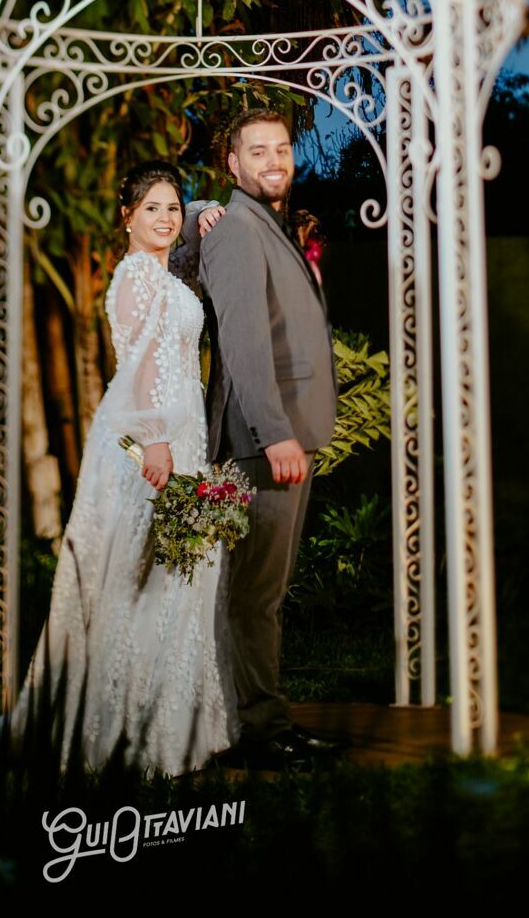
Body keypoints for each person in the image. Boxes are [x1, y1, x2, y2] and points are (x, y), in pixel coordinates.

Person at [11, 162, 237, 776]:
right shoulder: (136, 274)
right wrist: (157, 440)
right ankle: (125, 727)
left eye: (172, 208)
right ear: (126, 217)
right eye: (152, 210)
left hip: (180, 436)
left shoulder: (162, 269)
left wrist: (198, 211)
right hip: (148, 440)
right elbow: (137, 366)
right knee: (141, 578)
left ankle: (168, 720)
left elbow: (187, 227)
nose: (165, 219)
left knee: (172, 578)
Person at [183, 108, 338, 766]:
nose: (274, 159)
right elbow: (244, 342)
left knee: (260, 594)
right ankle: (261, 733)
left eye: (282, 147)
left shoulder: (265, 224)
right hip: (260, 441)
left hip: (283, 436)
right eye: (258, 151)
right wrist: (274, 434)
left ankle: (263, 721)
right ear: (232, 164)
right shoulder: (236, 230)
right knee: (254, 595)